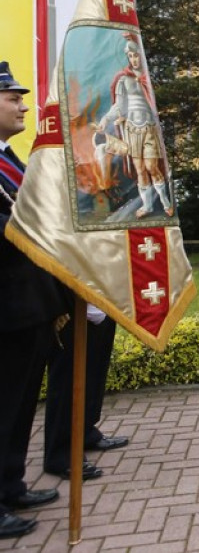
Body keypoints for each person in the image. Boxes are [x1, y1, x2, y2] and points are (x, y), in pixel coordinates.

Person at [0, 61, 69, 539]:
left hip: (29, 308)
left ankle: (11, 484)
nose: (24, 105)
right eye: (12, 99)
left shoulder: (11, 161)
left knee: (21, 406)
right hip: (6, 308)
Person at [43, 305, 129, 481]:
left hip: (98, 296)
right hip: (68, 305)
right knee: (67, 377)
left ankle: (85, 432)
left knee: (94, 371)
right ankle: (61, 454)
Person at [92, 34, 173, 219]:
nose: (134, 59)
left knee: (152, 166)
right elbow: (119, 105)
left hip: (149, 127)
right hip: (132, 129)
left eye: (136, 55)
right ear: (127, 58)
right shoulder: (123, 80)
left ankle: (165, 202)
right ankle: (147, 206)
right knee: (140, 169)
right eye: (131, 56)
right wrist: (105, 120)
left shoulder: (149, 79)